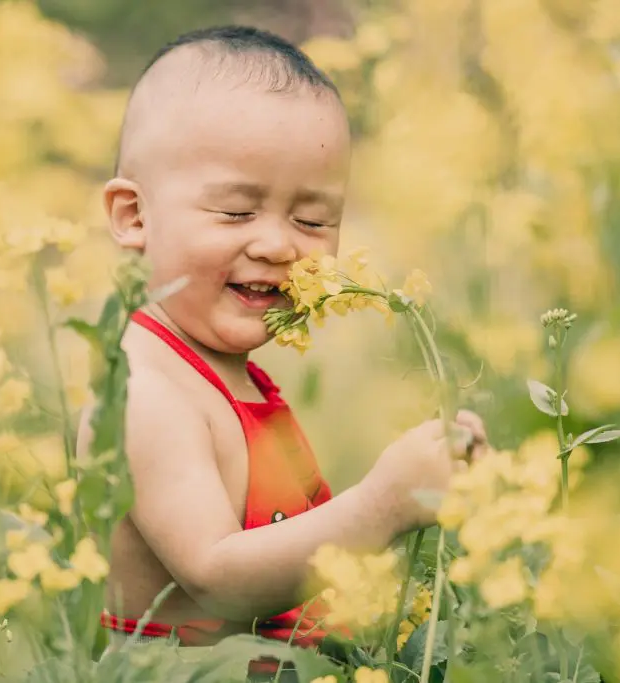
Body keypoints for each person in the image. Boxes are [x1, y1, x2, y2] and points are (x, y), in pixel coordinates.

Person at [76, 25, 488, 682]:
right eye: (237, 212)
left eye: (313, 220)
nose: (276, 245)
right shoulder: (144, 389)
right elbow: (215, 575)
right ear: (133, 215)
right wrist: (381, 505)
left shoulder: (237, 379)